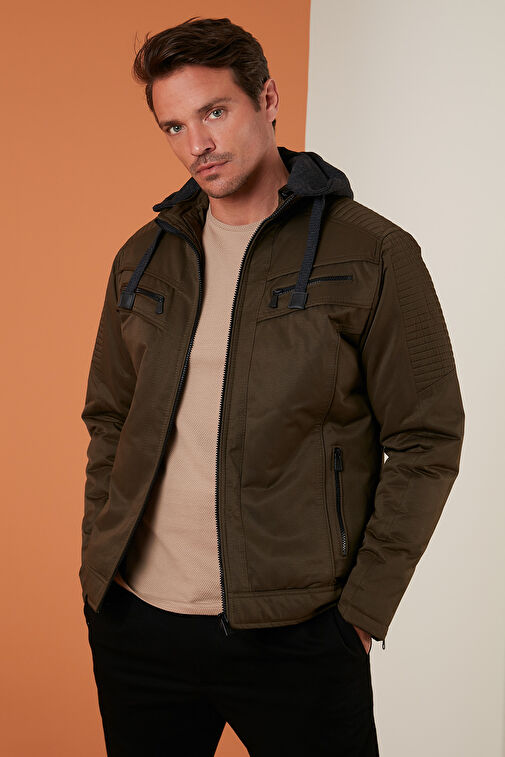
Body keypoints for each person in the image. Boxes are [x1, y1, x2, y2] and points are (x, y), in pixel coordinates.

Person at [79, 15, 465, 757]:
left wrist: (362, 607)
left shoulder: (373, 252)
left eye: (215, 112)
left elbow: (427, 437)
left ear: (267, 99)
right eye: (174, 126)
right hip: (137, 625)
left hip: (298, 634)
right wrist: (100, 562)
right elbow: (109, 416)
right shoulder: (144, 256)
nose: (197, 143)